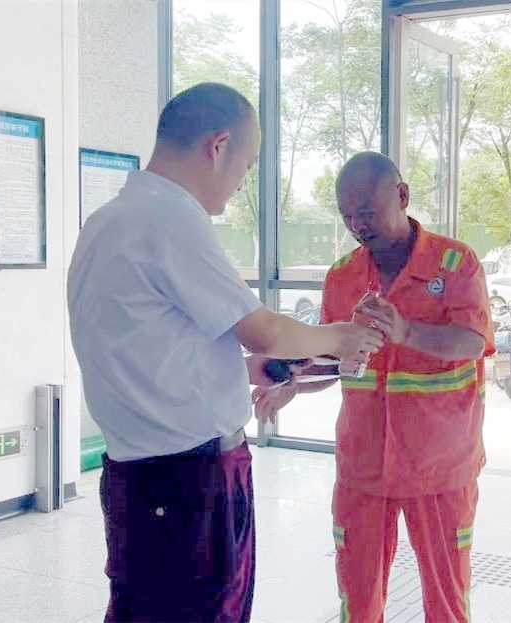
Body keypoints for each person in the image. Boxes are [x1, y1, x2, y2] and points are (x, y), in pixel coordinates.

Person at [67, 83, 383, 623]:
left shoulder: (106, 221)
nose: (240, 184)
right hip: (188, 485)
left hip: (139, 480)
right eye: (247, 165)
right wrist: (340, 336)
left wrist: (241, 371)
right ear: (218, 147)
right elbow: (266, 331)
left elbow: (143, 350)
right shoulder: (169, 218)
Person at [256, 151, 494, 622]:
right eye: (347, 215)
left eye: (366, 212)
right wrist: (293, 383)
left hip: (439, 468)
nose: (357, 225)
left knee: (447, 599)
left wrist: (405, 332)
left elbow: (472, 342)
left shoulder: (455, 264)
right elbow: (336, 359)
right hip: (363, 466)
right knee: (358, 597)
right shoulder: (343, 276)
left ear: (402, 196)